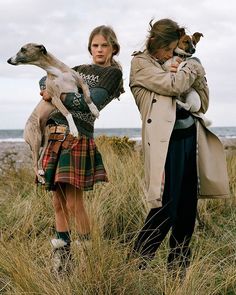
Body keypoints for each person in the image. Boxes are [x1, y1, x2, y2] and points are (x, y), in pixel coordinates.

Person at [129, 18, 229, 275]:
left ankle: (177, 272)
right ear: (155, 43)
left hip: (190, 140)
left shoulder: (178, 61)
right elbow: (175, 85)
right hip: (166, 145)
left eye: (174, 48)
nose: (171, 53)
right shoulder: (140, 64)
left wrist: (190, 69)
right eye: (168, 48)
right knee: (165, 208)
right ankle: (135, 265)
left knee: (186, 209)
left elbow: (202, 103)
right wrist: (194, 66)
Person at [40, 25, 124, 274]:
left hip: (78, 138)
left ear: (113, 48)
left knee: (75, 204)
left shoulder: (112, 74)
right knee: (58, 203)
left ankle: (87, 260)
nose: (99, 50)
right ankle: (62, 261)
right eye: (95, 45)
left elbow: (89, 103)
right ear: (90, 48)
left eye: (104, 45)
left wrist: (56, 94)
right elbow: (46, 77)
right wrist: (47, 88)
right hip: (55, 135)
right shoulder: (78, 70)